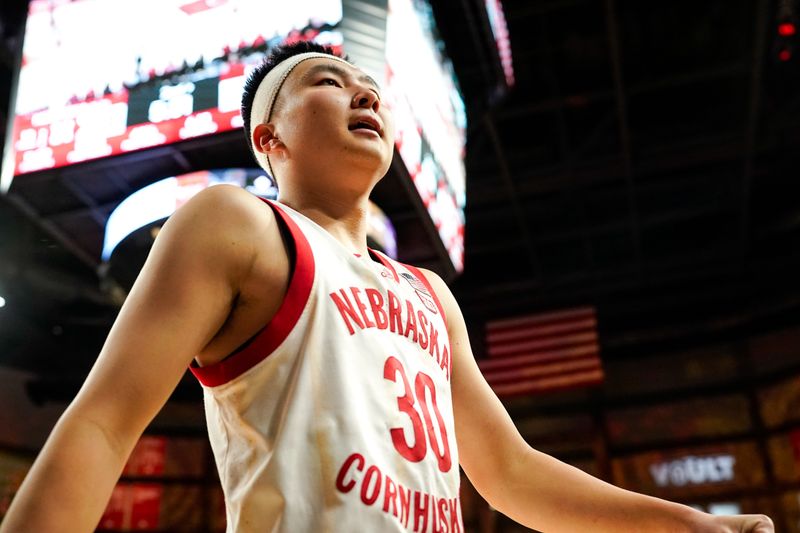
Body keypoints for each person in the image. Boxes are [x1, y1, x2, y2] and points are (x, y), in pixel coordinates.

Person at [0, 41, 774, 533]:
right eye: (329, 82)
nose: (364, 93)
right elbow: (102, 423)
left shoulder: (430, 294)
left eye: (369, 85)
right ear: (270, 141)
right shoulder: (233, 223)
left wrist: (682, 523)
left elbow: (509, 471)